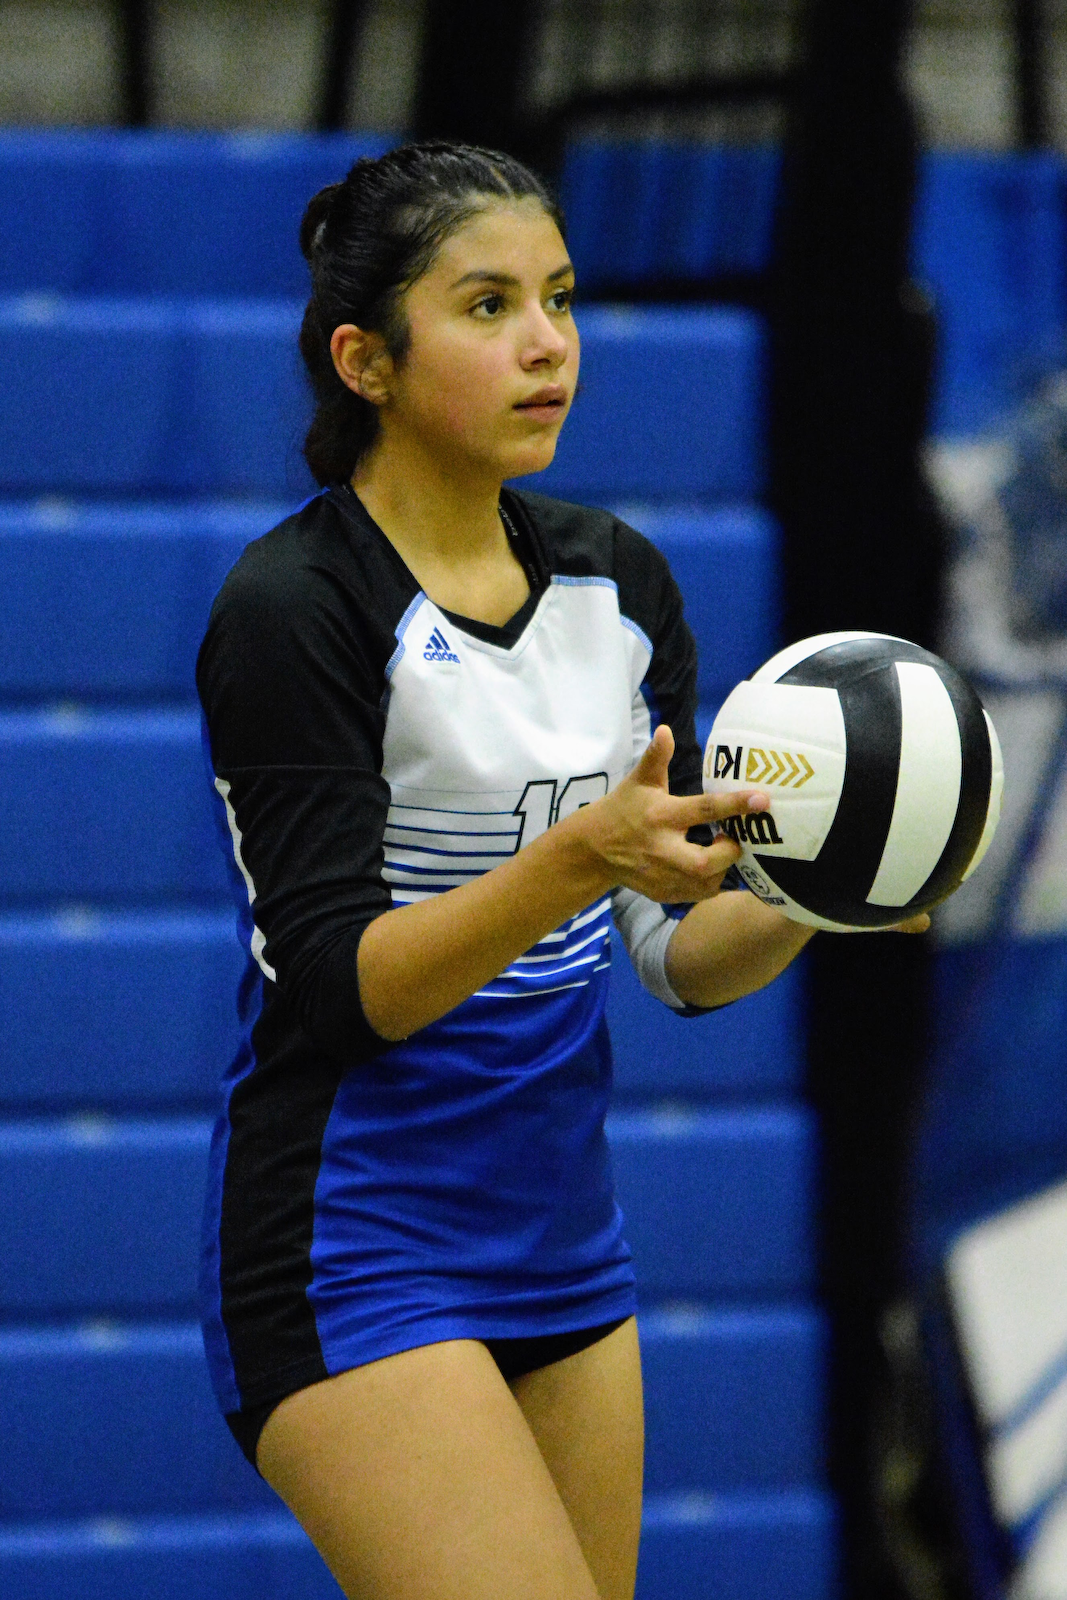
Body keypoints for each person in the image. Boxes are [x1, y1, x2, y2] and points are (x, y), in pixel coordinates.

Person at [196, 141, 927, 1600]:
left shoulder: (620, 585)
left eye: (561, 297)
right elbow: (349, 992)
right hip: (351, 1236)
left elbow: (676, 958)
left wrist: (822, 889)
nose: (548, 344)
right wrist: (576, 857)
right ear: (365, 362)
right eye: (488, 307)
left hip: (562, 1241)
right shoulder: (294, 608)